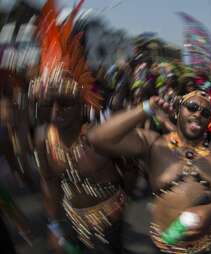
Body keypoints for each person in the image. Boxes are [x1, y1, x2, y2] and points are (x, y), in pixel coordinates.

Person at [31, 1, 135, 253]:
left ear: (80, 104)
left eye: (64, 103)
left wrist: (122, 201)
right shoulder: (45, 138)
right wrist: (55, 225)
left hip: (110, 223)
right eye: (49, 104)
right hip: (71, 222)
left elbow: (131, 169)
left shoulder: (100, 136)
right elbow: (49, 183)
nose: (56, 112)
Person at [88, 90, 211, 253]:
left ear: (209, 120)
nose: (198, 114)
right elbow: (97, 138)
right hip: (164, 245)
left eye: (205, 112)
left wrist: (210, 210)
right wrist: (147, 108)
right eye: (192, 107)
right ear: (178, 111)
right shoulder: (155, 144)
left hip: (209, 245)